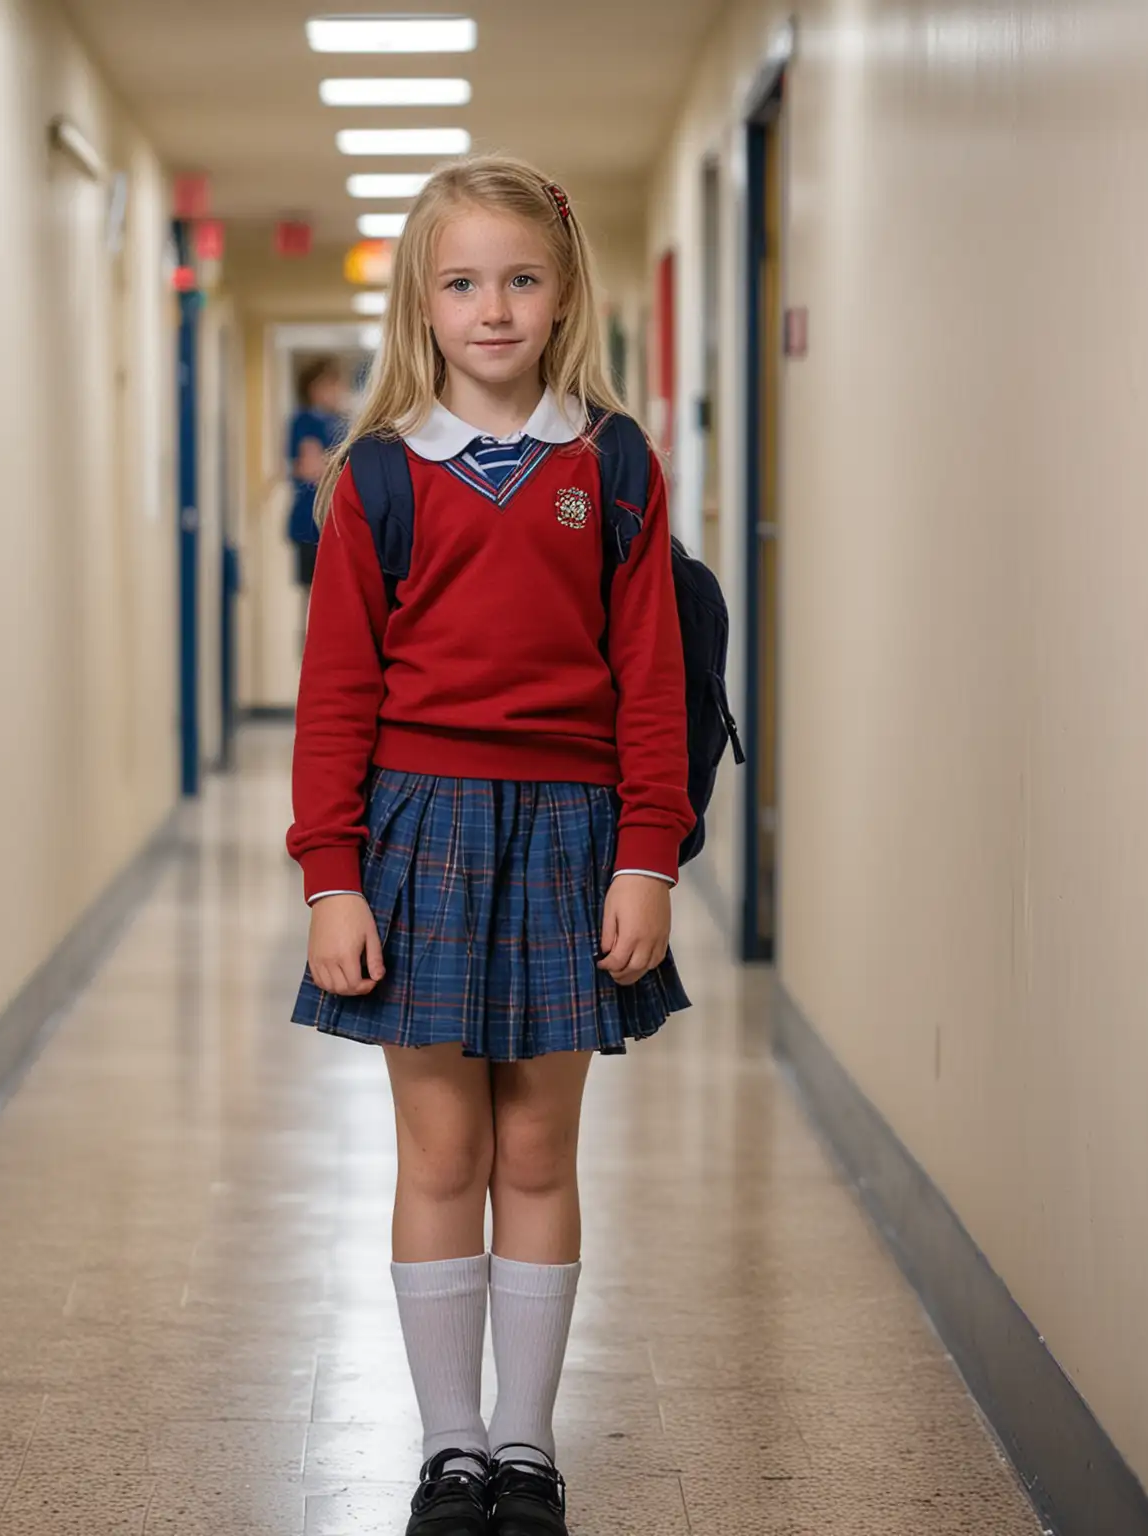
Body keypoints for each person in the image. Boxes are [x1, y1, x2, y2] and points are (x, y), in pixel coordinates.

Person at [285, 156, 693, 1536]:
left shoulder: (613, 465)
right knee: (439, 1150)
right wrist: (329, 873)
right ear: (424, 300)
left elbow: (649, 677)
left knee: (539, 1151)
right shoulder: (381, 478)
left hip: (576, 835)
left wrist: (650, 855)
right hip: (421, 831)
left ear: (564, 289)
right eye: (463, 282)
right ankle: (448, 1447)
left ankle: (527, 1448)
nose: (495, 308)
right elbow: (338, 690)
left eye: (521, 279)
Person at [286, 357, 347, 587]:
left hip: (337, 523)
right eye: (330, 385)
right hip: (310, 521)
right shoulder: (305, 421)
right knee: (317, 595)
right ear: (313, 388)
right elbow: (312, 469)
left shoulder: (338, 422)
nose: (336, 391)